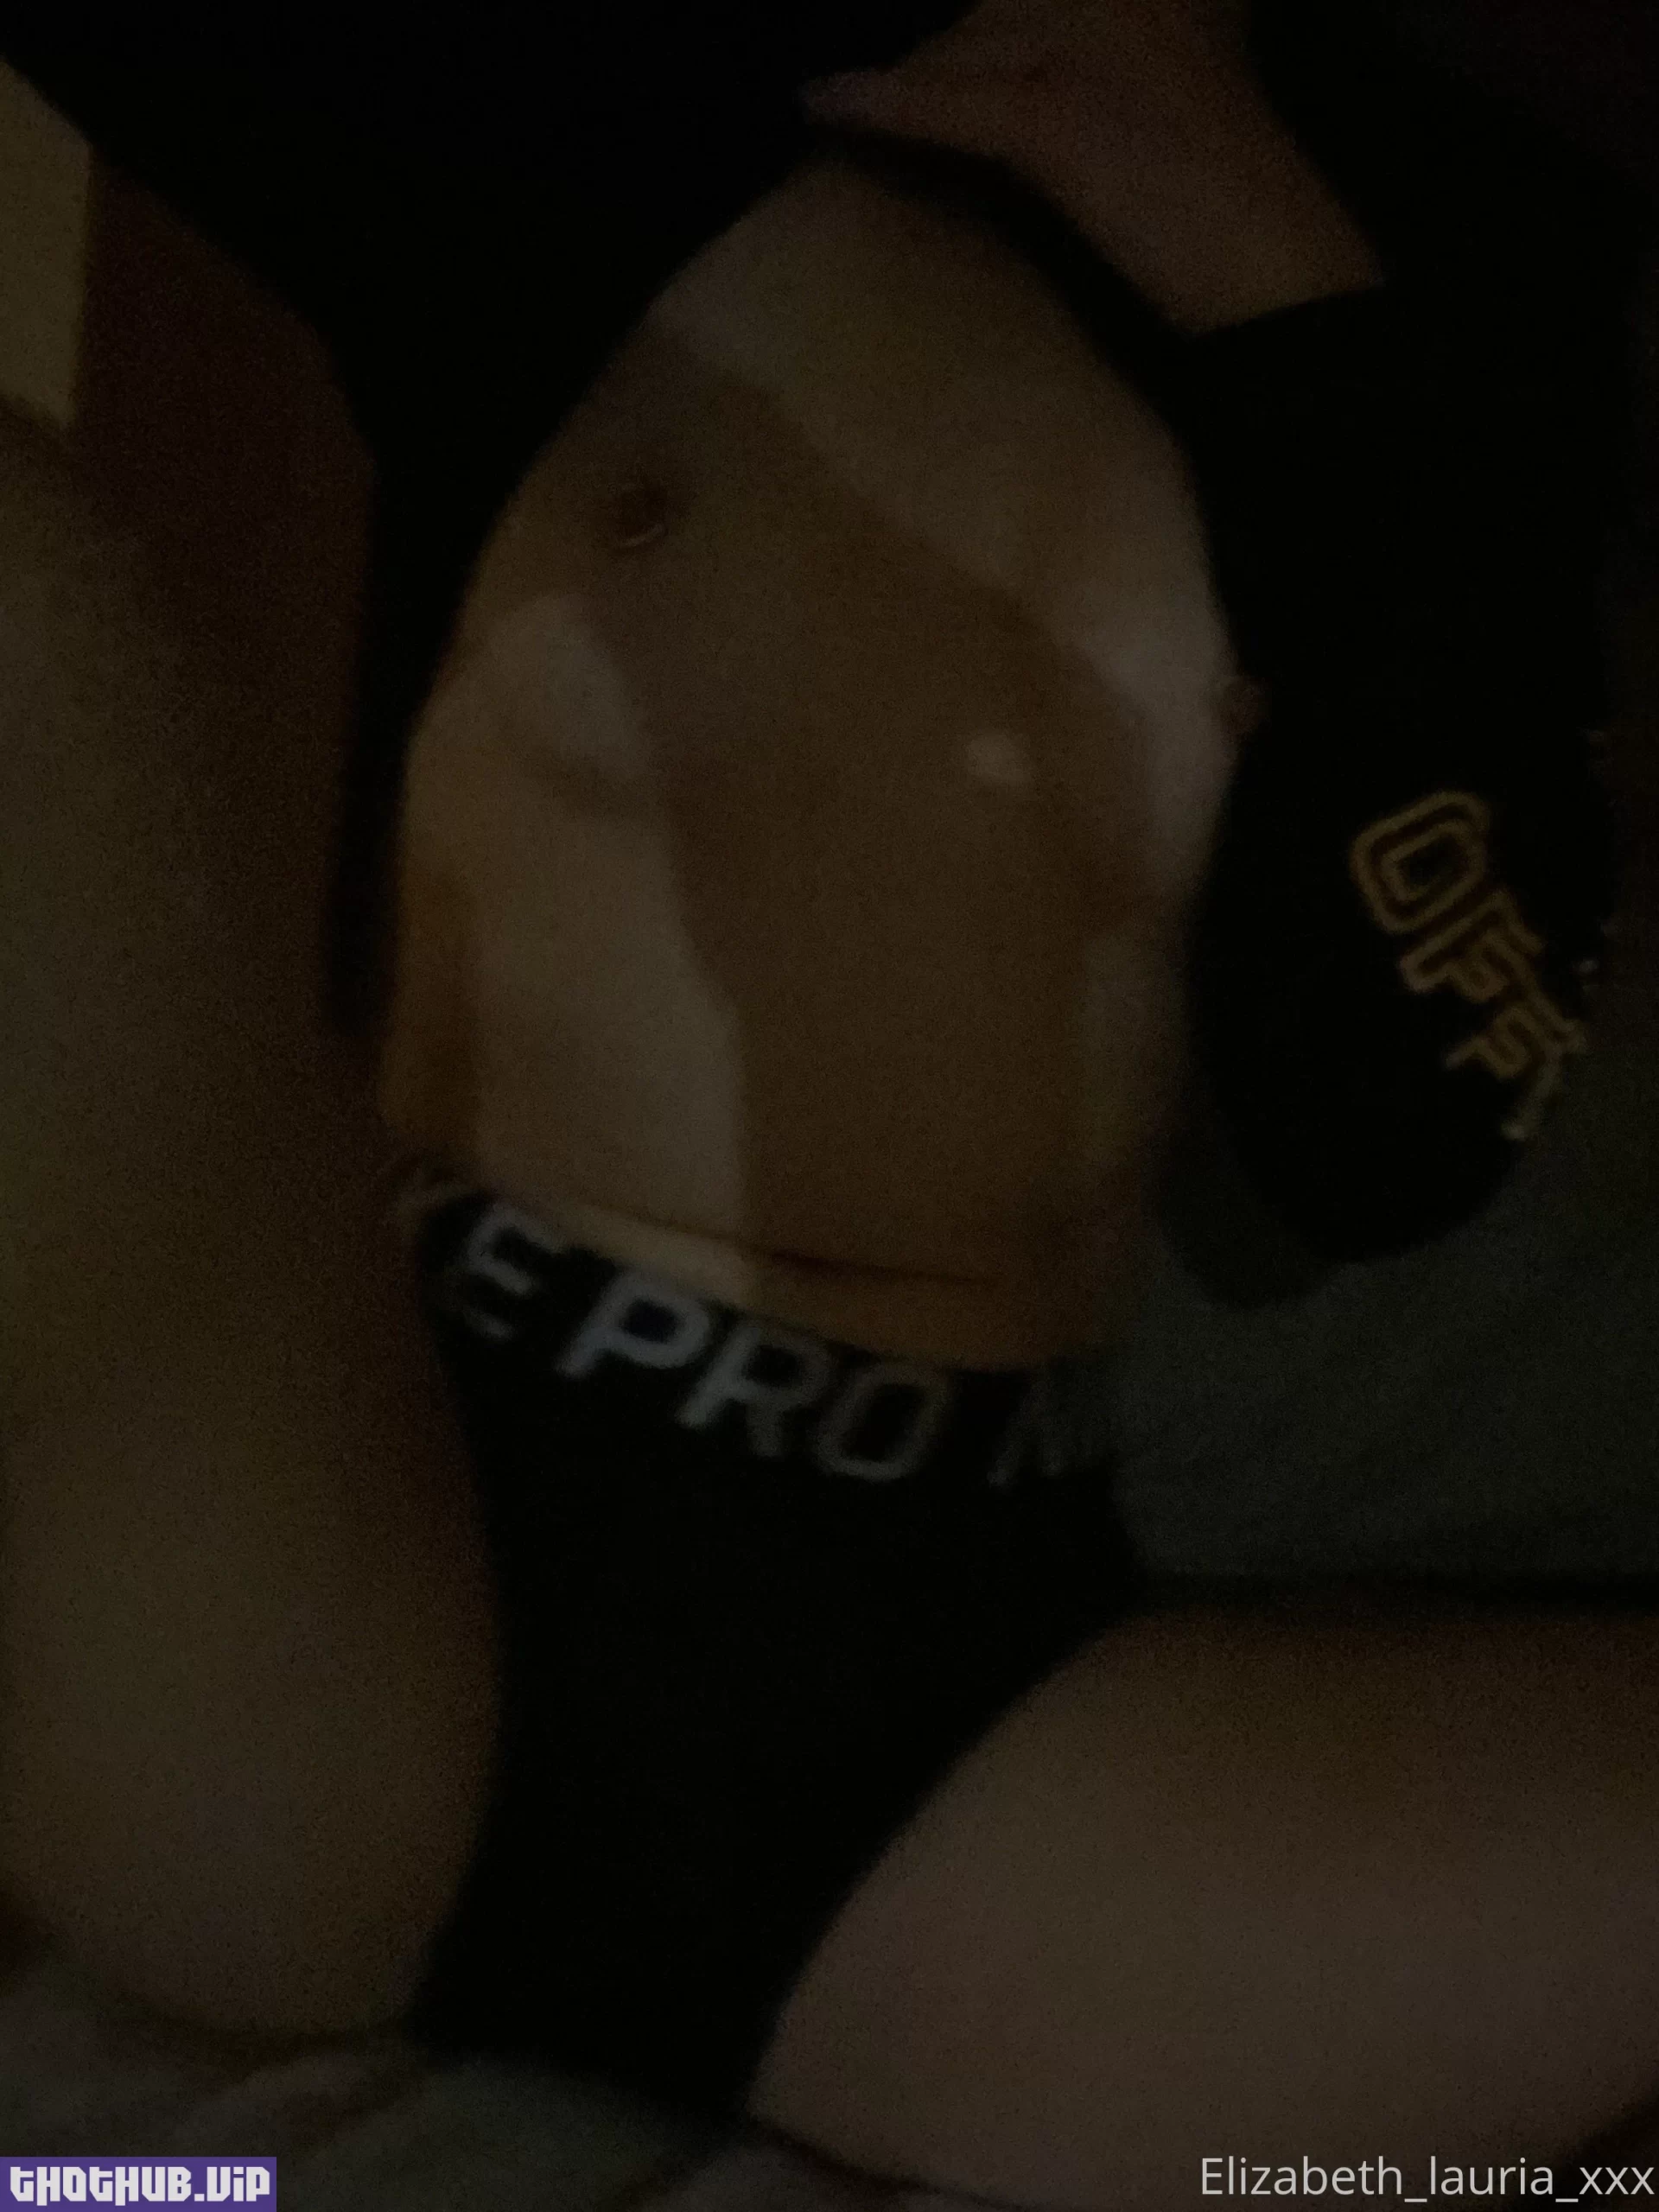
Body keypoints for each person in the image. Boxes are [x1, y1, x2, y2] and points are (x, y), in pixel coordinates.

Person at [2, 3, 1656, 2204]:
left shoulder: (1442, 256)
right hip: (375, 1546)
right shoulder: (679, 106)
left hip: (966, 1763)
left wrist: (1264, 260)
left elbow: (1397, 1118)